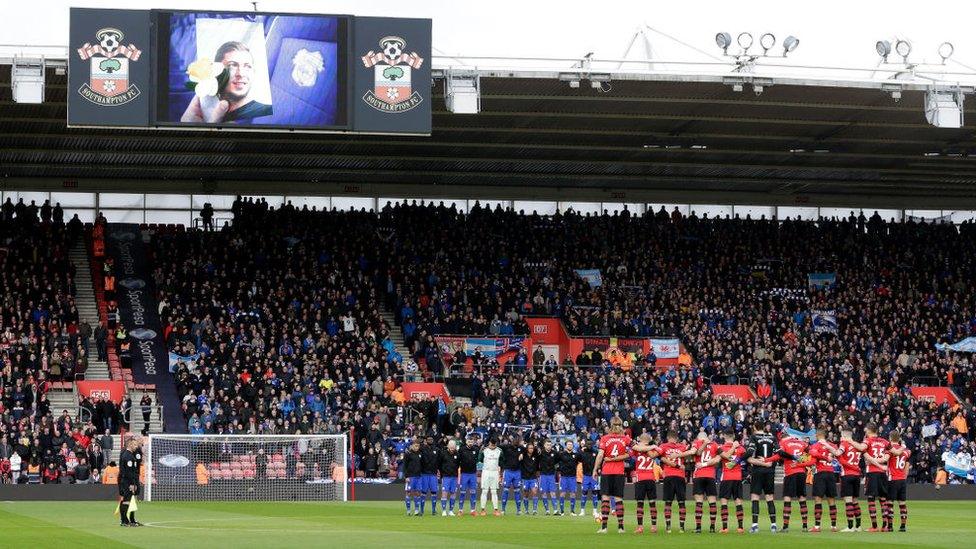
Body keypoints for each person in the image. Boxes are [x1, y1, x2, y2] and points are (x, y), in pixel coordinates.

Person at [180, 41, 272, 124]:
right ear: (216, 71)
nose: (241, 74)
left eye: (247, 66)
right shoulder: (203, 111)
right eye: (232, 65)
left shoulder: (265, 111)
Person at [593, 416, 632, 534]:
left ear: (610, 425)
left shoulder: (604, 438)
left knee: (605, 498)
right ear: (621, 425)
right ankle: (621, 528)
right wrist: (617, 458)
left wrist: (595, 469)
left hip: (607, 472)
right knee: (619, 499)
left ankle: (604, 527)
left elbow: (600, 455)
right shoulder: (626, 439)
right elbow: (630, 454)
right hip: (619, 472)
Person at [770, 431, 811, 533]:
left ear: (781, 438)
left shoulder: (783, 443)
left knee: (787, 498)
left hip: (790, 473)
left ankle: (785, 526)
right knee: (802, 498)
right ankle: (805, 526)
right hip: (801, 472)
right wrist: (802, 459)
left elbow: (780, 453)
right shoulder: (801, 442)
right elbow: (810, 452)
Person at [658, 430, 696, 533]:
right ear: (676, 438)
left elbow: (660, 457)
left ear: (668, 437)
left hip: (668, 476)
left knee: (668, 503)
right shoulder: (682, 447)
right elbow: (691, 452)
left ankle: (668, 527)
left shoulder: (663, 446)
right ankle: (682, 528)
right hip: (680, 476)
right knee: (681, 502)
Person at [745, 422, 779, 533]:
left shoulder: (754, 437)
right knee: (769, 497)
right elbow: (777, 455)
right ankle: (773, 525)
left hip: (757, 471)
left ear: (754, 427)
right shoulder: (772, 437)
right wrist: (768, 462)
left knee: (755, 497)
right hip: (769, 471)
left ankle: (755, 525)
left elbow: (749, 457)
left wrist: (739, 459)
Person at [808, 427, 843, 532]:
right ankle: (833, 526)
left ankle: (817, 526)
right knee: (831, 500)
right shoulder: (832, 445)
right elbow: (838, 454)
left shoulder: (816, 445)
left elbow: (813, 454)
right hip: (831, 473)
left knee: (818, 499)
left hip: (820, 473)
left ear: (818, 435)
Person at [691, 432, 722, 533]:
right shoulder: (714, 445)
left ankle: (698, 528)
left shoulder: (696, 443)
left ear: (699, 437)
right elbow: (717, 459)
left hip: (699, 475)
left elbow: (697, 453)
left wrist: (702, 464)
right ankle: (712, 528)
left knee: (699, 502)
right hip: (710, 475)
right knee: (712, 503)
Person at [631, 433, 660, 534]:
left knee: (640, 504)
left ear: (640, 440)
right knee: (652, 503)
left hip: (640, 479)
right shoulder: (653, 450)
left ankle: (640, 527)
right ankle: (654, 526)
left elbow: (631, 453)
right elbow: (659, 452)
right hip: (651, 478)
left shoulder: (637, 450)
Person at [717, 430, 746, 533]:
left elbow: (725, 456)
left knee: (724, 502)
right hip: (738, 477)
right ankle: (740, 527)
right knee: (738, 501)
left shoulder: (721, 448)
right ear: (733, 436)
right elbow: (747, 458)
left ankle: (725, 528)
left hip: (726, 478)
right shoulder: (741, 448)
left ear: (724, 436)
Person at [839, 429, 866, 531]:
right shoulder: (857, 445)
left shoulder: (844, 444)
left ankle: (850, 527)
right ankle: (858, 526)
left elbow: (840, 458)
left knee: (848, 501)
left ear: (844, 436)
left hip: (847, 475)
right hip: (857, 476)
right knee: (855, 501)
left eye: (842, 435)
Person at [885, 431, 911, 532]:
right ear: (899, 438)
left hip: (892, 479)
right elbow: (907, 467)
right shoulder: (907, 451)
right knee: (902, 503)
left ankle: (890, 526)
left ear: (890, 438)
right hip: (902, 479)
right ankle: (903, 526)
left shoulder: (889, 450)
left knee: (890, 503)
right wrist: (904, 477)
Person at [117, 435, 143, 527]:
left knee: (129, 500)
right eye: (135, 444)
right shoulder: (128, 456)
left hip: (129, 480)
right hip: (128, 481)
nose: (137, 446)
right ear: (131, 444)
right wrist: (132, 483)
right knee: (126, 500)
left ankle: (127, 520)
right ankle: (124, 520)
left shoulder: (129, 454)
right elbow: (128, 472)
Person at [556, 441, 582, 517]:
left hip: (573, 477)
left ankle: (572, 511)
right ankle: (562, 511)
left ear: (573, 446)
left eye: (571, 444)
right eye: (568, 444)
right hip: (563, 477)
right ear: (565, 446)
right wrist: (559, 470)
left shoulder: (576, 455)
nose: (570, 446)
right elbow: (555, 462)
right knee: (562, 493)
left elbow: (581, 460)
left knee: (573, 493)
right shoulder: (561, 454)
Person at [499, 436, 523, 514]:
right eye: (515, 439)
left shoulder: (521, 448)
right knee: (505, 490)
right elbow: (498, 447)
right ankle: (503, 509)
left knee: (517, 491)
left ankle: (519, 510)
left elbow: (531, 451)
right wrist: (500, 440)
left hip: (517, 472)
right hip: (508, 471)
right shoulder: (506, 447)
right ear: (512, 440)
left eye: (518, 440)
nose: (517, 441)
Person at [479, 438, 502, 516]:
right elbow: (480, 460)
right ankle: (483, 509)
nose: (493, 446)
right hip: (486, 471)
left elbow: (502, 461)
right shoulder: (484, 450)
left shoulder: (499, 451)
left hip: (495, 472)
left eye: (494, 445)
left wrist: (501, 472)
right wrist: (480, 452)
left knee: (494, 491)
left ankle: (496, 510)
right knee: (484, 491)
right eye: (492, 445)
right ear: (489, 443)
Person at [457, 437, 480, 515]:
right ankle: (460, 510)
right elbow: (458, 460)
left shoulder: (476, 449)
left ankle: (473, 510)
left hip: (473, 474)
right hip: (464, 474)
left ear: (473, 442)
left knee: (473, 492)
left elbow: (477, 460)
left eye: (472, 441)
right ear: (466, 442)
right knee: (462, 492)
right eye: (469, 441)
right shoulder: (461, 449)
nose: (470, 443)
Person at [419, 436, 441, 516]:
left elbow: (439, 461)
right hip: (424, 474)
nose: (430, 441)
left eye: (431, 439)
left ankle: (434, 510)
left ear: (433, 440)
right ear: (426, 440)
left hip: (433, 474)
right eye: (428, 439)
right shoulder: (422, 449)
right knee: (423, 492)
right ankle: (421, 510)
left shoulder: (437, 450)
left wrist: (438, 470)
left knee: (434, 492)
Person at [537, 440, 558, 515]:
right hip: (543, 475)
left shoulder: (554, 453)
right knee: (544, 493)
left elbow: (557, 461)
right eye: (547, 445)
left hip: (551, 475)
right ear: (544, 445)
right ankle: (547, 510)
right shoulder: (540, 453)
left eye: (550, 444)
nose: (549, 446)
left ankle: (555, 510)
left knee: (553, 492)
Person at [579, 439, 600, 518]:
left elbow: (599, 461)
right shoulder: (583, 452)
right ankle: (582, 510)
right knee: (584, 492)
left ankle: (595, 510)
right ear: (585, 445)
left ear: (593, 444)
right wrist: (581, 451)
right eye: (588, 444)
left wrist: (598, 469)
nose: (589, 445)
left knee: (595, 492)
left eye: (590, 444)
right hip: (585, 475)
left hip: (593, 475)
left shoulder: (595, 452)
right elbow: (577, 458)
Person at [402, 439, 423, 516]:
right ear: (412, 445)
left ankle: (417, 510)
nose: (417, 447)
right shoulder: (408, 454)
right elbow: (404, 466)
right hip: (410, 476)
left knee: (417, 493)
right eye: (415, 446)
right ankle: (408, 510)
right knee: (408, 492)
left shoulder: (420, 453)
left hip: (418, 476)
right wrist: (406, 476)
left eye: (418, 446)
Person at [439, 440, 460, 516]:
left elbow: (457, 465)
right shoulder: (443, 453)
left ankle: (451, 510)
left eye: (453, 446)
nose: (452, 447)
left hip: (454, 477)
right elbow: (440, 464)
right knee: (444, 493)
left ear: (455, 447)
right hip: (446, 476)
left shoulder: (457, 454)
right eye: (450, 446)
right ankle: (444, 510)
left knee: (453, 493)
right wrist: (442, 474)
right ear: (448, 446)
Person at [519, 443, 539, 515]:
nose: (531, 449)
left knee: (534, 492)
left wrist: (535, 445)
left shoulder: (535, 455)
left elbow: (537, 450)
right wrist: (522, 452)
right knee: (526, 494)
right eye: (530, 448)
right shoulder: (523, 455)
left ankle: (534, 510)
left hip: (533, 477)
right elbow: (521, 449)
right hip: (525, 478)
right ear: (527, 449)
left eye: (532, 448)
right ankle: (526, 510)